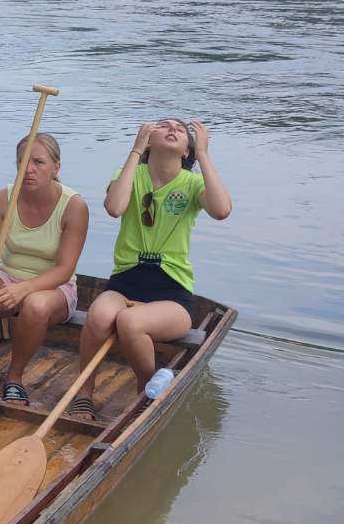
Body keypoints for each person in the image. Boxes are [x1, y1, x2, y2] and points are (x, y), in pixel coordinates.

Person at [74, 119, 230, 415]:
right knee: (98, 316)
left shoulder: (193, 183)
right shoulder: (129, 174)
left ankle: (147, 389)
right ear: (148, 139)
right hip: (125, 282)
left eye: (181, 130)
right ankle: (84, 392)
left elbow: (221, 210)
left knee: (130, 323)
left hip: (172, 292)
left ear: (187, 151)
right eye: (164, 126)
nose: (173, 129)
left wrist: (205, 155)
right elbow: (115, 207)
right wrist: (136, 149)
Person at [0, 132, 89, 406]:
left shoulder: (74, 207)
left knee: (35, 306)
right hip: (8, 275)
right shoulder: (3, 200)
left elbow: (65, 269)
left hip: (54, 286)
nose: (29, 170)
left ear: (56, 168)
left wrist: (22, 290)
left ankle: (14, 377)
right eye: (23, 161)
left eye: (38, 162)